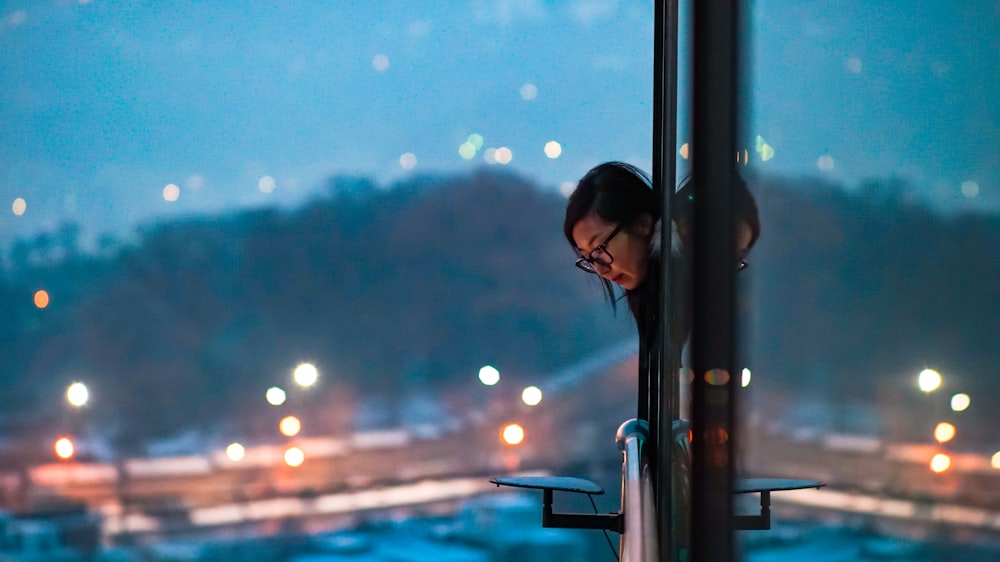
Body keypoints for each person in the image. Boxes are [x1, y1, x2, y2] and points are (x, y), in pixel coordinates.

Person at [563, 161, 760, 348]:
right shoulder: (662, 302)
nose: (600, 269)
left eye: (599, 249)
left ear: (643, 224)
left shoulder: (685, 303)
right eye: (589, 256)